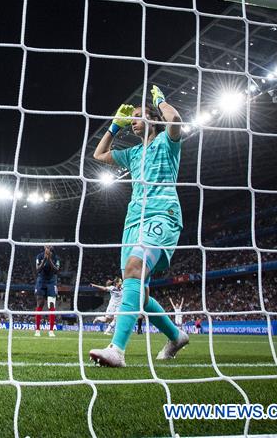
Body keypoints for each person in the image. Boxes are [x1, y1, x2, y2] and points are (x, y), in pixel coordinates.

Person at [89, 86, 189, 367]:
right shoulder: (132, 154)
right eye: (130, 118)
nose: (132, 120)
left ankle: (117, 350)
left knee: (134, 268)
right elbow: (99, 154)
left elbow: (176, 120)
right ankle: (176, 336)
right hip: (133, 221)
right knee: (138, 291)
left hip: (162, 215)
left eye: (136, 116)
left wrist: (160, 102)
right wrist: (114, 127)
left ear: (152, 119)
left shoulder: (167, 142)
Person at [34, 245, 60, 337]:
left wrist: (49, 260)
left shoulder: (56, 258)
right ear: (44, 247)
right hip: (41, 280)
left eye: (49, 246)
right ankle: (37, 329)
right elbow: (38, 269)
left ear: (52, 247)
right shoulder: (39, 256)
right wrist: (45, 259)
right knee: (40, 303)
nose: (48, 247)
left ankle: (51, 330)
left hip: (52, 281)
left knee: (51, 304)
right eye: (46, 246)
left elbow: (56, 270)